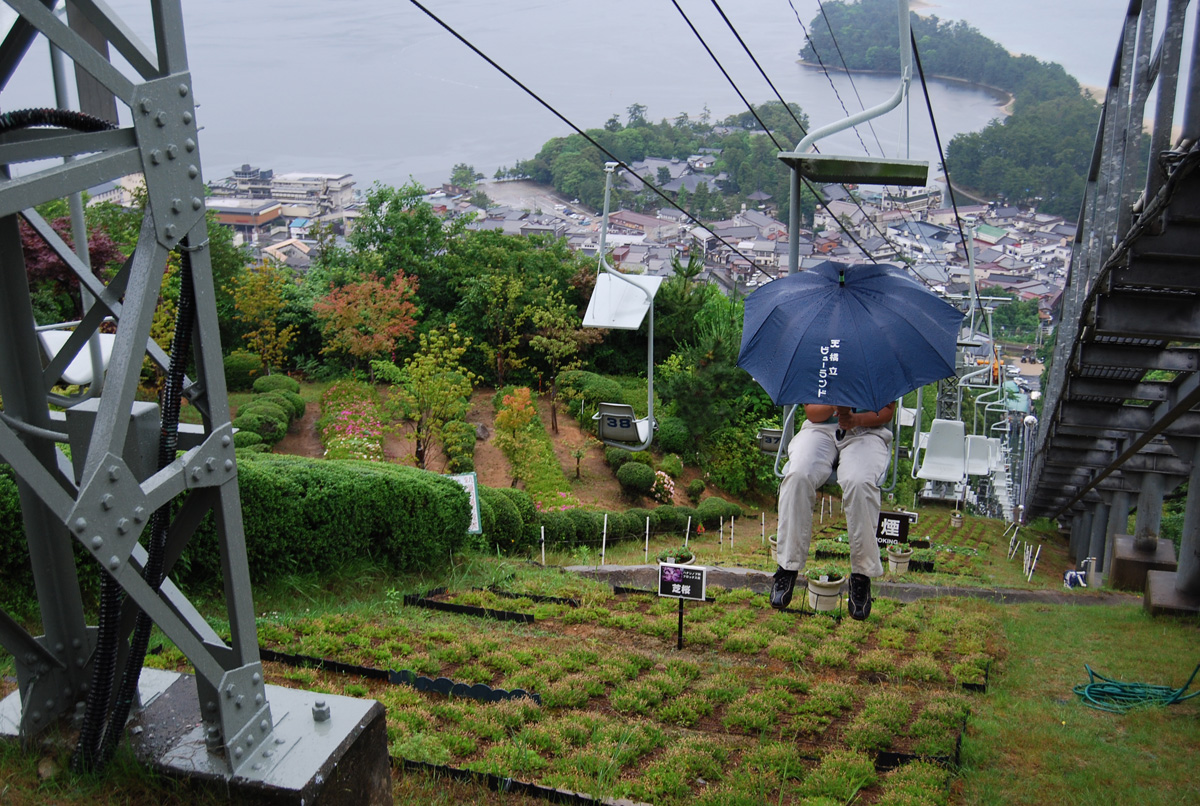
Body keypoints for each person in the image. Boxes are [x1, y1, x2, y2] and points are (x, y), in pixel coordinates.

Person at [771, 401, 895, 619]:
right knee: (798, 475)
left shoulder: (878, 366)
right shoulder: (820, 365)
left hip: (866, 432)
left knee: (859, 483)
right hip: (820, 431)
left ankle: (861, 575)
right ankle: (788, 565)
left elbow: (886, 411)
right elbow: (812, 413)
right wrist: (835, 405)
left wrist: (856, 419)